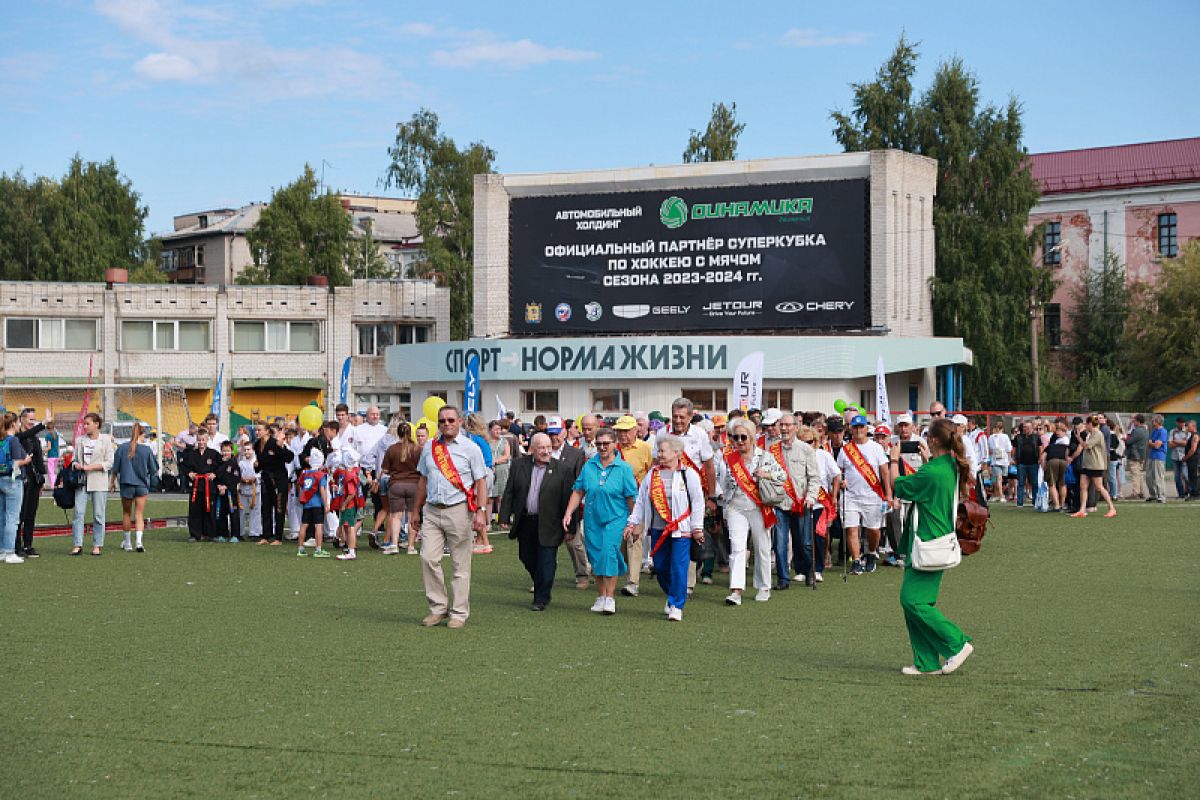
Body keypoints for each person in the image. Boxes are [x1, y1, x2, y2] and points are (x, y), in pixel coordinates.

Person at [888, 417, 974, 676]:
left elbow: (898, 485)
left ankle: (956, 644)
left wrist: (893, 460)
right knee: (918, 601)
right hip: (931, 539)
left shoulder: (934, 470)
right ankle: (926, 661)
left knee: (912, 601)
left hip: (927, 540)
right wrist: (927, 460)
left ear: (933, 440)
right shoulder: (947, 465)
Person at [411, 406, 489, 629]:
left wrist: (481, 511)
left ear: (459, 422)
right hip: (432, 510)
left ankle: (459, 613)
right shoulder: (429, 448)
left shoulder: (471, 448)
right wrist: (416, 510)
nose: (446, 424)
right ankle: (437, 608)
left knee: (460, 564)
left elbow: (481, 481)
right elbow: (423, 481)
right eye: (442, 420)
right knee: (427, 558)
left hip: (459, 510)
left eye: (451, 420)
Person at [627, 434, 705, 621]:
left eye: (663, 451)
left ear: (676, 453)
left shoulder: (688, 474)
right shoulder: (652, 474)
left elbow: (698, 502)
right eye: (659, 450)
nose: (659, 454)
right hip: (658, 528)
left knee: (679, 567)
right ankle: (673, 595)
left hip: (681, 530)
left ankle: (677, 604)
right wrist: (633, 521)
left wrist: (697, 527)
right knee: (660, 567)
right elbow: (641, 500)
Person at [563, 428, 638, 614]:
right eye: (599, 444)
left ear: (614, 444)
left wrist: (633, 522)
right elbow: (578, 490)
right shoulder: (589, 466)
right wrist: (568, 513)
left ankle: (610, 598)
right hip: (592, 519)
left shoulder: (624, 468)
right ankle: (601, 596)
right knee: (596, 556)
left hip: (616, 518)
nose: (602, 447)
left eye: (606, 443)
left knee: (609, 553)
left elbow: (631, 497)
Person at [500, 433, 577, 611]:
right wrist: (504, 516)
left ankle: (540, 598)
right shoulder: (519, 465)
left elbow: (568, 500)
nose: (546, 451)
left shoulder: (563, 470)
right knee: (526, 556)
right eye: (541, 448)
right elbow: (509, 491)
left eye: (548, 447)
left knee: (547, 561)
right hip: (526, 521)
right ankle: (542, 581)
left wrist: (571, 527)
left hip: (551, 523)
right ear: (532, 449)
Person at [721, 418, 786, 604]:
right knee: (737, 548)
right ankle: (736, 590)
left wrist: (767, 475)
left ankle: (764, 586)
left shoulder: (765, 457)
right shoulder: (730, 459)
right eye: (735, 437)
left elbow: (783, 476)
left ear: (752, 438)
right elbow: (725, 484)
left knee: (762, 548)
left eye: (743, 437)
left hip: (759, 507)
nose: (739, 441)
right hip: (736, 507)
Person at [836, 414, 893, 576]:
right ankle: (856, 560)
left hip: (872, 495)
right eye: (855, 427)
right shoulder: (845, 450)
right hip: (851, 496)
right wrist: (841, 482)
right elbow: (839, 472)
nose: (859, 430)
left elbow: (884, 472)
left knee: (873, 530)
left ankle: (870, 553)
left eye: (862, 427)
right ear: (851, 429)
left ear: (867, 429)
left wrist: (888, 494)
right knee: (852, 529)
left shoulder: (876, 448)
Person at [769, 414, 821, 589]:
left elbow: (814, 477)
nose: (784, 429)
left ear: (796, 427)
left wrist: (811, 497)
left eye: (787, 425)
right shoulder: (772, 450)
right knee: (780, 543)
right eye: (781, 425)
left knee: (805, 542)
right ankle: (783, 579)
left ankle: (809, 571)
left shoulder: (806, 450)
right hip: (779, 504)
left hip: (801, 503)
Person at [612, 415, 653, 598]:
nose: (622, 435)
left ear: (636, 431)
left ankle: (632, 582)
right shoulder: (613, 450)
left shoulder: (645, 449)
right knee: (620, 541)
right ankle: (626, 572)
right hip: (615, 502)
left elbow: (653, 474)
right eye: (619, 431)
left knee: (633, 539)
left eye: (626, 431)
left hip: (638, 501)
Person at [547, 417, 588, 588]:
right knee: (545, 544)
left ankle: (582, 575)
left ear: (564, 432)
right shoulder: (542, 451)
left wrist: (573, 508)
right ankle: (542, 578)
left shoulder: (576, 454)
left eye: (556, 433)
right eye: (550, 434)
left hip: (568, 504)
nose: (554, 438)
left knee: (574, 543)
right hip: (547, 506)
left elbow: (579, 482)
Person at [71, 413, 115, 556]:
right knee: (78, 513)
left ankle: (97, 545)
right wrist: (76, 464)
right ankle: (77, 544)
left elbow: (109, 462)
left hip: (99, 480)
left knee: (98, 514)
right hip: (82, 481)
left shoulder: (106, 440)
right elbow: (74, 459)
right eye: (84, 424)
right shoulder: (80, 440)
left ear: (97, 424)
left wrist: (93, 467)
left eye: (88, 423)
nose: (85, 426)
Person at [111, 422, 159, 552]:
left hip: (126, 484)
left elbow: (115, 468)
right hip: (141, 485)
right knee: (139, 514)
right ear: (142, 434)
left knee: (126, 513)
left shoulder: (121, 448)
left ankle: (127, 542)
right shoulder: (147, 450)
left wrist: (112, 482)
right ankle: (139, 542)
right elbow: (154, 469)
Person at [380, 422, 421, 554]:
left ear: (397, 433)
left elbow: (385, 469)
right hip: (414, 485)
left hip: (396, 485)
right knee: (412, 516)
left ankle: (394, 544)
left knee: (396, 516)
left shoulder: (392, 449)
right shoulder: (417, 449)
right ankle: (411, 546)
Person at [14, 407, 49, 558]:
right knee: (19, 514)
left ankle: (28, 545)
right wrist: (42, 424)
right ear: (22, 419)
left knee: (31, 514)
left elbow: (39, 459)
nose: (32, 422)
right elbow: (25, 434)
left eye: (34, 419)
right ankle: (17, 546)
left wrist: (42, 479)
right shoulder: (17, 436)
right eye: (30, 419)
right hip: (21, 480)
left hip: (34, 481)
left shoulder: (34, 438)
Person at [253, 423, 293, 545]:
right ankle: (266, 536)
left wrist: (280, 448)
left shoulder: (275, 443)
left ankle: (278, 538)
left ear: (267, 431)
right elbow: (261, 465)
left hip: (278, 481)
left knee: (279, 508)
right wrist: (256, 465)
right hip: (266, 480)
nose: (257, 432)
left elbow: (289, 457)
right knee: (265, 508)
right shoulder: (256, 445)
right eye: (256, 430)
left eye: (259, 430)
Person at [1071, 415, 1117, 518]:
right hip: (1086, 464)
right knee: (1083, 486)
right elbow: (1085, 445)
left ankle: (1112, 508)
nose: (1085, 426)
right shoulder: (1090, 434)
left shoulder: (1097, 434)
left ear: (1090, 424)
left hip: (1095, 465)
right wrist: (1079, 438)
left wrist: (1080, 439)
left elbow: (1087, 446)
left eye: (1086, 424)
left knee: (1099, 487)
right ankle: (1082, 510)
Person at [180, 428, 220, 542]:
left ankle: (211, 534)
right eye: (199, 440)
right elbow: (182, 465)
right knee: (195, 510)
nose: (201, 442)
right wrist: (189, 473)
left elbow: (221, 466)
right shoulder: (191, 454)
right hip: (196, 486)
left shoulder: (214, 454)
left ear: (207, 440)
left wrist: (215, 474)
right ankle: (195, 534)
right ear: (196, 440)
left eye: (203, 440)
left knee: (210, 509)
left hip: (209, 486)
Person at [1, 412, 30, 564]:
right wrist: (26, 460)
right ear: (13, 424)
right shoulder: (14, 440)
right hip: (13, 481)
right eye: (18, 422)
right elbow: (17, 461)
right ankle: (9, 551)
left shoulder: (1, 439)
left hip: (0, 479)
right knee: (12, 518)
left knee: (2, 517)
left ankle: (1, 550)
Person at [295, 449, 332, 558]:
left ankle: (300, 549)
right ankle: (318, 549)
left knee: (303, 526)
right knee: (318, 526)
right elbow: (322, 490)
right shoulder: (321, 475)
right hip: (317, 504)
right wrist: (326, 504)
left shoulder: (305, 473)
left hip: (307, 504)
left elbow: (300, 484)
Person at [214, 440, 242, 542]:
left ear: (232, 452)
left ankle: (235, 535)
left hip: (231, 494)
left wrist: (226, 487)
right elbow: (216, 476)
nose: (225, 453)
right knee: (221, 514)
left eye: (227, 451)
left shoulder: (234, 464)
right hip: (220, 494)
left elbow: (236, 479)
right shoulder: (219, 464)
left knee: (233, 514)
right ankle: (222, 534)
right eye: (223, 451)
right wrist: (219, 486)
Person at [1041, 420, 1072, 512]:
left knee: (1052, 484)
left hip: (1052, 461)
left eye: (1059, 430)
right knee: (1062, 483)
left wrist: (1043, 468)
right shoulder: (1067, 443)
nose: (1057, 432)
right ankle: (1062, 504)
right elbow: (1068, 454)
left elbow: (1043, 457)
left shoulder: (1052, 445)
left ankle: (1057, 505)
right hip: (1063, 461)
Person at [487, 420, 512, 531]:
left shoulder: (504, 441)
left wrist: (495, 461)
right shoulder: (486, 441)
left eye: (499, 429)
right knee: (489, 498)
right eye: (496, 429)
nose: (498, 431)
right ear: (490, 430)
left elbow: (506, 456)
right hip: (489, 471)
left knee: (501, 497)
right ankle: (488, 522)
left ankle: (502, 521)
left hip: (502, 470)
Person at [237, 436, 262, 540]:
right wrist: (242, 479)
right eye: (245, 450)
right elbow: (238, 474)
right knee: (241, 511)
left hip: (255, 489)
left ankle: (254, 533)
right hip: (243, 489)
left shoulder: (257, 461)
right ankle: (240, 532)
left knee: (255, 511)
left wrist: (254, 478)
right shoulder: (240, 462)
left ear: (253, 450)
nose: (247, 452)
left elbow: (260, 474)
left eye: (249, 449)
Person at [1011, 421, 1041, 507]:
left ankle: (1035, 502)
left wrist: (1040, 459)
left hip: (1034, 463)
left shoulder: (1036, 437)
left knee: (1034, 483)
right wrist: (1014, 459)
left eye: (1027, 427)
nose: (1025, 429)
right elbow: (1014, 449)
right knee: (1021, 483)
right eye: (1024, 427)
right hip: (1021, 463)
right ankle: (1020, 503)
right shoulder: (1018, 437)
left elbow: (1040, 448)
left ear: (1032, 428)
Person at [1123, 415, 1149, 500]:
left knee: (1135, 475)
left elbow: (1129, 441)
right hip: (1141, 455)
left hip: (1134, 455)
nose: (1133, 423)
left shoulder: (1137, 431)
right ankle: (1141, 492)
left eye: (1134, 421)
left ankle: (1135, 493)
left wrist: (1125, 438)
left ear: (1138, 421)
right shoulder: (1145, 430)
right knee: (1140, 474)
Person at [987, 421, 1012, 502]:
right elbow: (1009, 449)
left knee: (998, 478)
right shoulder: (1005, 436)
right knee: (999, 478)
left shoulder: (991, 437)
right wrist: (1009, 460)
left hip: (996, 459)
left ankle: (997, 494)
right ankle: (1001, 495)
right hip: (1003, 460)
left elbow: (990, 448)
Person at [1146, 415, 1168, 503]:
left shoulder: (1163, 431)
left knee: (1158, 477)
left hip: (1159, 456)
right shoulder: (1154, 431)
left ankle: (1162, 496)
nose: (1152, 422)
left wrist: (1152, 443)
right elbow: (1149, 442)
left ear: (1158, 422)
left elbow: (1157, 445)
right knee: (1148, 477)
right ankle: (1153, 494)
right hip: (1152, 456)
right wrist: (1152, 443)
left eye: (1153, 421)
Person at [1169, 417, 1190, 499]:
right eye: (1180, 423)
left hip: (1184, 457)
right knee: (1177, 477)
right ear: (1176, 423)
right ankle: (1181, 494)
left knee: (1185, 475)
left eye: (1183, 423)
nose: (1182, 424)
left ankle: (1189, 492)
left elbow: (1186, 444)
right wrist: (1181, 442)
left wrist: (1175, 441)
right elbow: (1170, 445)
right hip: (1175, 457)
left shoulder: (1187, 432)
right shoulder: (1172, 431)